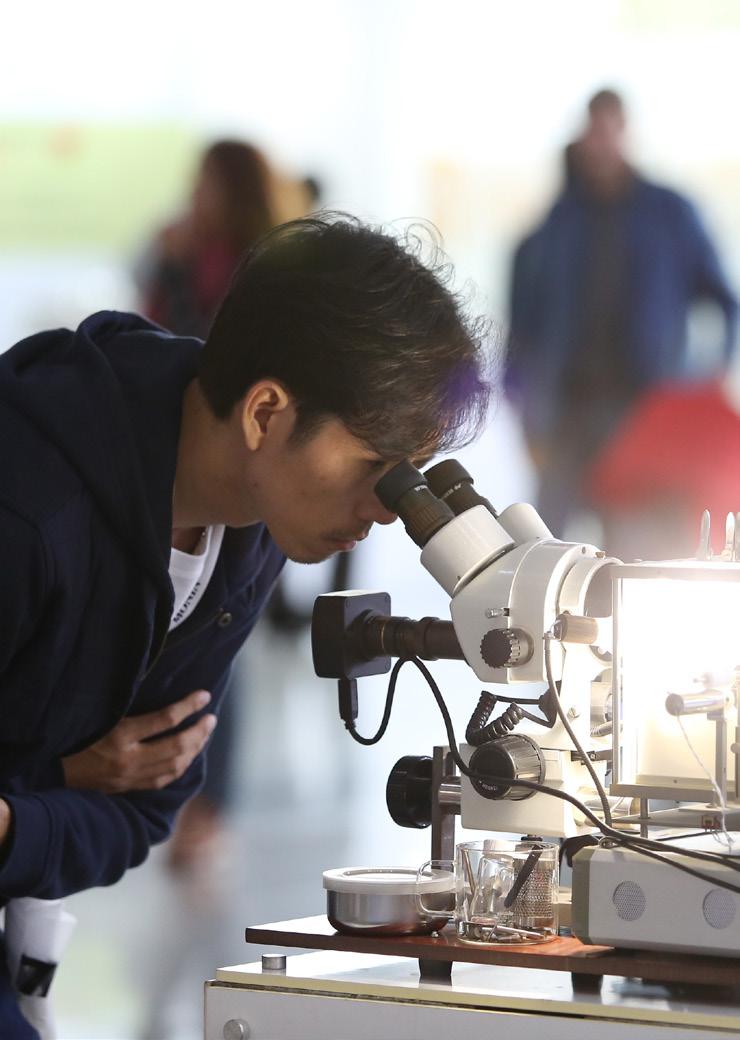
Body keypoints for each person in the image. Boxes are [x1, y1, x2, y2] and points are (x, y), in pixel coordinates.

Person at [0, 213, 489, 1037]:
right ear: (266, 413)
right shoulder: (29, 513)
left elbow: (145, 812)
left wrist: (28, 809)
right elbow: (106, 798)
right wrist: (64, 776)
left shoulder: (245, 534)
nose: (384, 510)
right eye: (375, 466)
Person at [506, 88, 737, 537]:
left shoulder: (670, 215)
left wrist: (711, 375)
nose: (601, 144)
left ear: (625, 132)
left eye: (609, 131)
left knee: (635, 541)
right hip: (567, 410)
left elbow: (724, 300)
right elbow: (521, 332)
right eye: (593, 132)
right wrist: (525, 412)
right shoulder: (555, 225)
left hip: (644, 410)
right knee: (543, 538)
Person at [138, 139, 276, 338]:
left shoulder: (258, 263)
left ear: (238, 189)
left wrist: (174, 268)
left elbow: (204, 340)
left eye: (207, 178)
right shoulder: (195, 246)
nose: (195, 190)